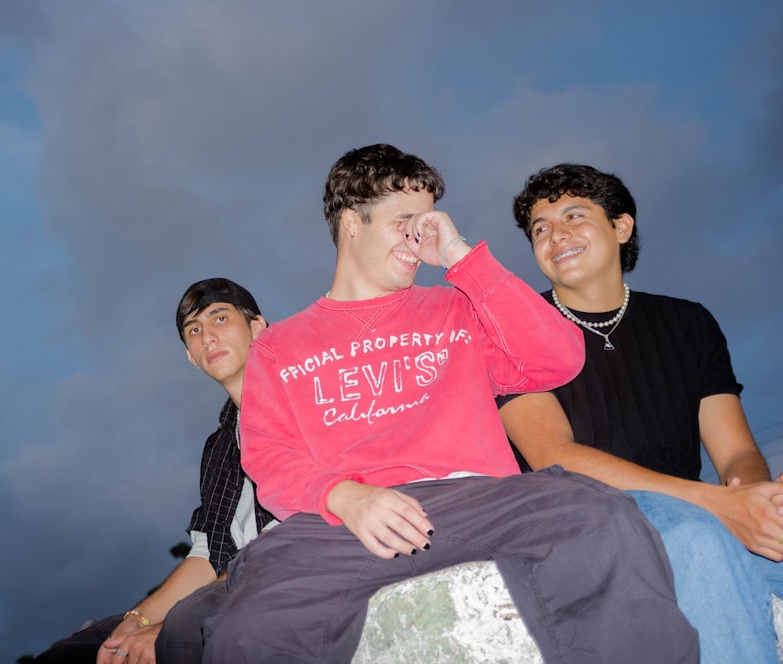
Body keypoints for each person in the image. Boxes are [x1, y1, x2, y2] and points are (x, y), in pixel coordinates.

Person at [200, 144, 699, 663]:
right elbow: (268, 457)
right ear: (352, 223)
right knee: (245, 629)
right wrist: (344, 497)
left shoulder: (455, 306)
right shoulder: (279, 347)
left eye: (429, 221)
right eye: (405, 222)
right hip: (346, 523)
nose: (421, 237)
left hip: (479, 501)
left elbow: (559, 359)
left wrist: (462, 256)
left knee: (602, 519)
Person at [499, 163, 783, 664]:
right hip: (585, 519)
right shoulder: (512, 336)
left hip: (694, 509)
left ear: (621, 227)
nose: (555, 235)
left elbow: (736, 449)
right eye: (540, 229)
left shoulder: (688, 322)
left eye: (574, 216)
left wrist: (754, 499)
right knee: (695, 538)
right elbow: (554, 456)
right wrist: (714, 506)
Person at [33, 278, 277, 664]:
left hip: (279, 580)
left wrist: (165, 628)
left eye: (219, 318)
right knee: (70, 655)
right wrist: (137, 620)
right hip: (224, 583)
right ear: (190, 357)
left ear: (258, 328)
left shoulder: (302, 405)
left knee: (174, 639)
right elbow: (207, 555)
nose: (207, 337)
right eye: (194, 331)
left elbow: (293, 536)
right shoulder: (218, 448)